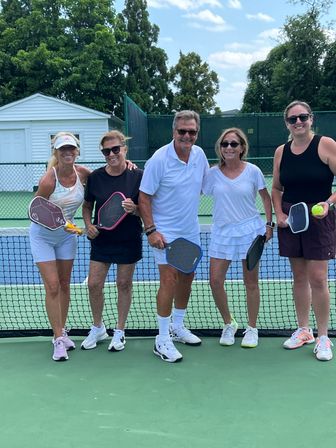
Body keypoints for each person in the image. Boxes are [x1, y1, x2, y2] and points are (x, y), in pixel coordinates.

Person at [138, 110, 209, 363]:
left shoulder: (199, 155)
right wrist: (151, 229)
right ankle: (162, 338)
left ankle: (178, 327)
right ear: (173, 132)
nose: (187, 136)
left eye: (192, 132)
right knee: (169, 279)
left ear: (196, 133)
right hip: (164, 232)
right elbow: (144, 197)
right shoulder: (159, 159)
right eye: (182, 131)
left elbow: (205, 186)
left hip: (190, 230)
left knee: (187, 277)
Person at [272, 100, 336, 361]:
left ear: (311, 119)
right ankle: (304, 330)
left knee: (318, 278)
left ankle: (323, 337)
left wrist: (329, 203)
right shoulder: (281, 151)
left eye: (303, 117)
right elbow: (276, 188)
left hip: (319, 218)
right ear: (287, 123)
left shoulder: (326, 144)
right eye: (292, 119)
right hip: (291, 219)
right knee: (298, 277)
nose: (298, 122)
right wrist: (279, 213)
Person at [203, 128, 273, 348]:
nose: (229, 148)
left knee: (250, 283)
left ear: (242, 148)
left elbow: (266, 197)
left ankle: (252, 328)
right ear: (220, 148)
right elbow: (190, 189)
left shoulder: (253, 171)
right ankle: (229, 323)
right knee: (215, 281)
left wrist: (269, 224)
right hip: (222, 232)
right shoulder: (211, 174)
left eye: (234, 144)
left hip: (249, 231)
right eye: (225, 144)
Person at [29, 132, 91, 362]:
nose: (67, 152)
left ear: (77, 151)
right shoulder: (49, 179)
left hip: (66, 238)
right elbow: (35, 211)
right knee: (53, 286)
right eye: (62, 149)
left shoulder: (83, 173)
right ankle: (57, 339)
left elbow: (107, 179)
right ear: (56, 152)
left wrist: (127, 164)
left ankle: (62, 331)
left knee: (65, 285)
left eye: (71, 148)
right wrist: (61, 223)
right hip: (43, 237)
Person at [81, 130, 143, 353]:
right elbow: (87, 206)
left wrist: (135, 210)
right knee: (93, 284)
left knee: (124, 284)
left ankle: (119, 330)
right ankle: (98, 327)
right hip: (102, 239)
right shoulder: (95, 177)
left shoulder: (138, 176)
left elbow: (147, 209)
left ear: (124, 149)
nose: (111, 154)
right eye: (106, 151)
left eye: (116, 149)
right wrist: (88, 225)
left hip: (129, 239)